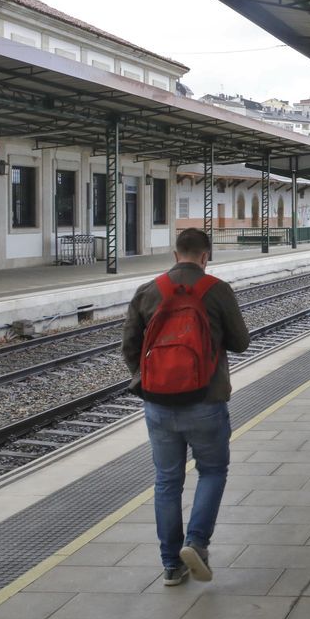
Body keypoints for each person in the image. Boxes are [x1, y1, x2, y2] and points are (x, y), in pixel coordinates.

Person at [122, 228, 250, 586]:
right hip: (206, 400)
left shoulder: (148, 290)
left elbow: (129, 347)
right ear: (206, 256)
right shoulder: (217, 290)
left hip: (158, 404)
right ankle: (196, 543)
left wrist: (152, 378)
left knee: (166, 482)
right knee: (211, 471)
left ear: (175, 254)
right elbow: (241, 342)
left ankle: (170, 566)